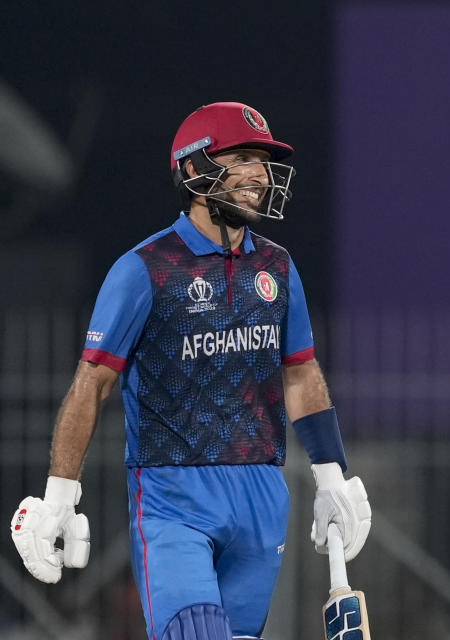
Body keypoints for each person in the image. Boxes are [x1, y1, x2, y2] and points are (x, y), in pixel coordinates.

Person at [10, 102, 372, 640]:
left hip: (261, 495)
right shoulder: (143, 270)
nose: (259, 175)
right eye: (244, 158)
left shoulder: (278, 267)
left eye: (264, 161)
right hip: (171, 496)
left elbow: (299, 374)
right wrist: (59, 495)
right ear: (193, 170)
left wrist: (330, 477)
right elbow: (94, 382)